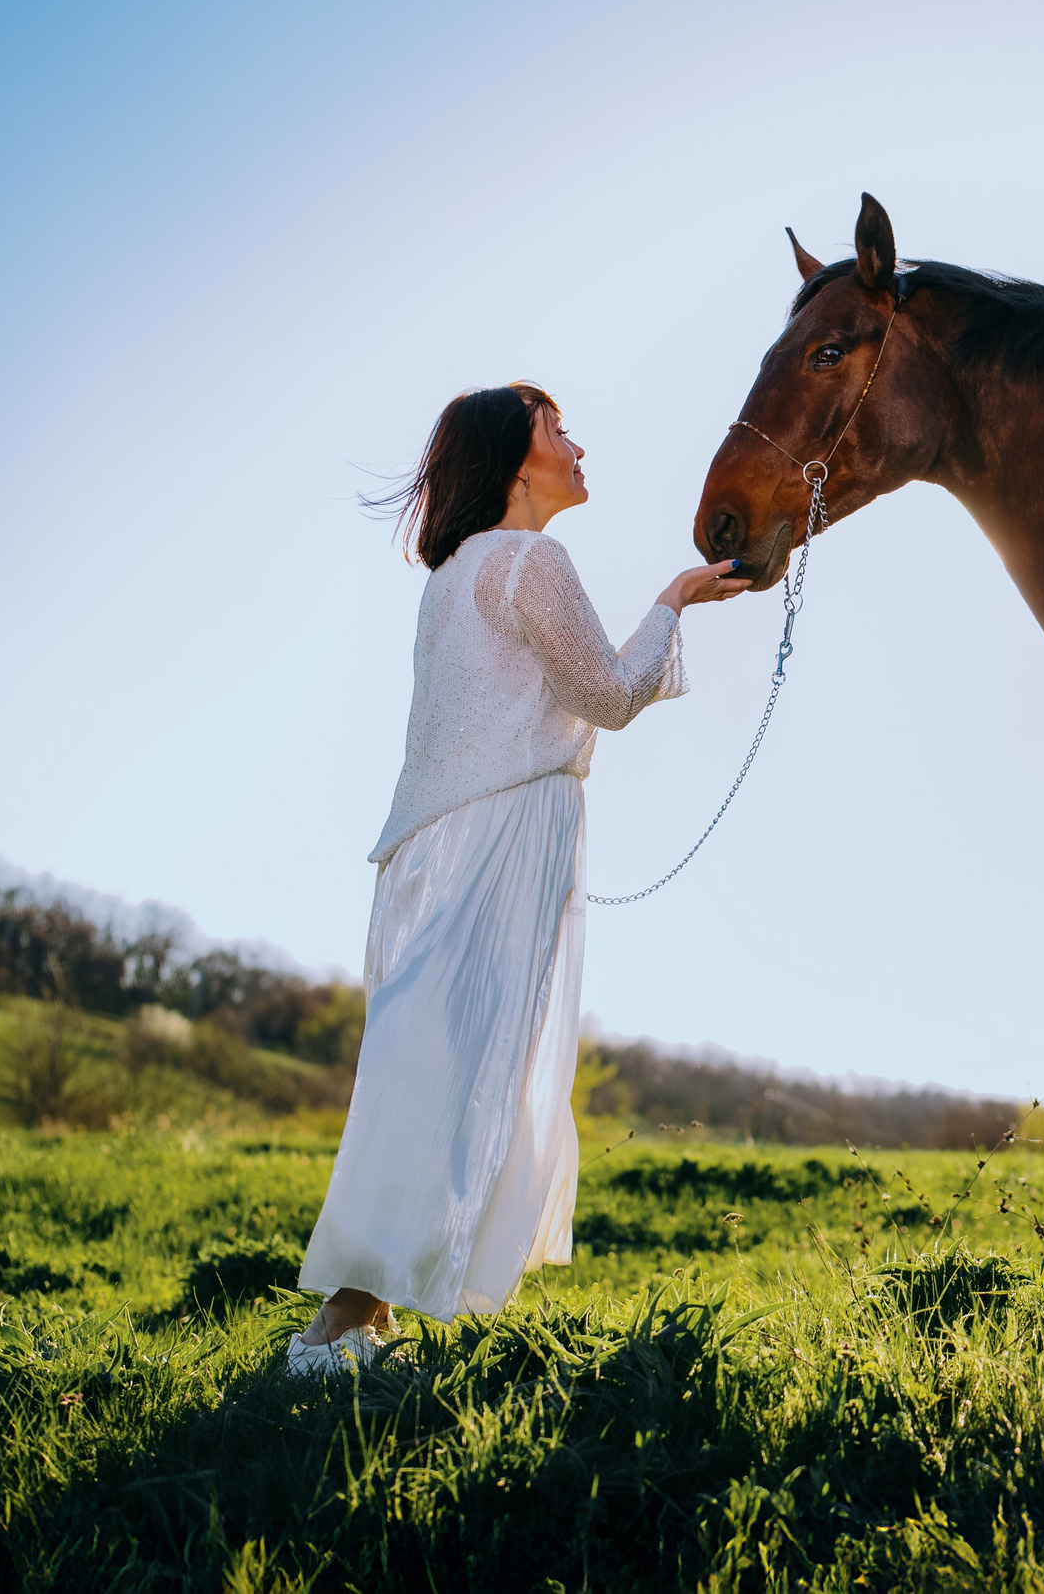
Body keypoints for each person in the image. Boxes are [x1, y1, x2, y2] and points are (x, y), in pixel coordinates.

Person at [285, 382, 745, 1375]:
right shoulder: (532, 559)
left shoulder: (454, 572)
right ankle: (332, 1334)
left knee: (419, 1065)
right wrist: (674, 602)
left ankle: (361, 1323)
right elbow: (608, 696)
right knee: (450, 1073)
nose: (579, 446)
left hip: (428, 843)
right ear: (516, 457)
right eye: (558, 432)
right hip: (497, 839)